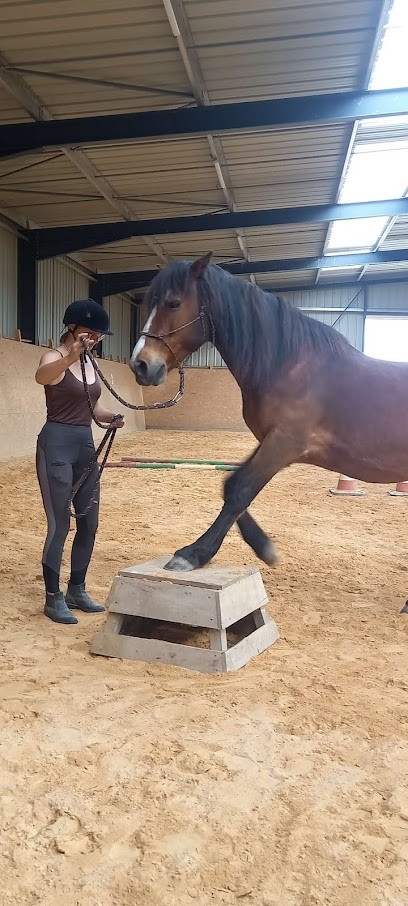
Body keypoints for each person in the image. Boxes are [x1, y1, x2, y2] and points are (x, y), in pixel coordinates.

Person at [35, 299, 124, 624]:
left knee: (90, 521)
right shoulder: (55, 357)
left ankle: (76, 588)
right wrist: (72, 355)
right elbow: (41, 377)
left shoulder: (90, 364)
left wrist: (110, 417)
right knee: (60, 524)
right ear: (72, 328)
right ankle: (52, 597)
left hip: (84, 446)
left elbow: (93, 409)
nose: (95, 339)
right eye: (90, 332)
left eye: (99, 335)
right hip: (56, 445)